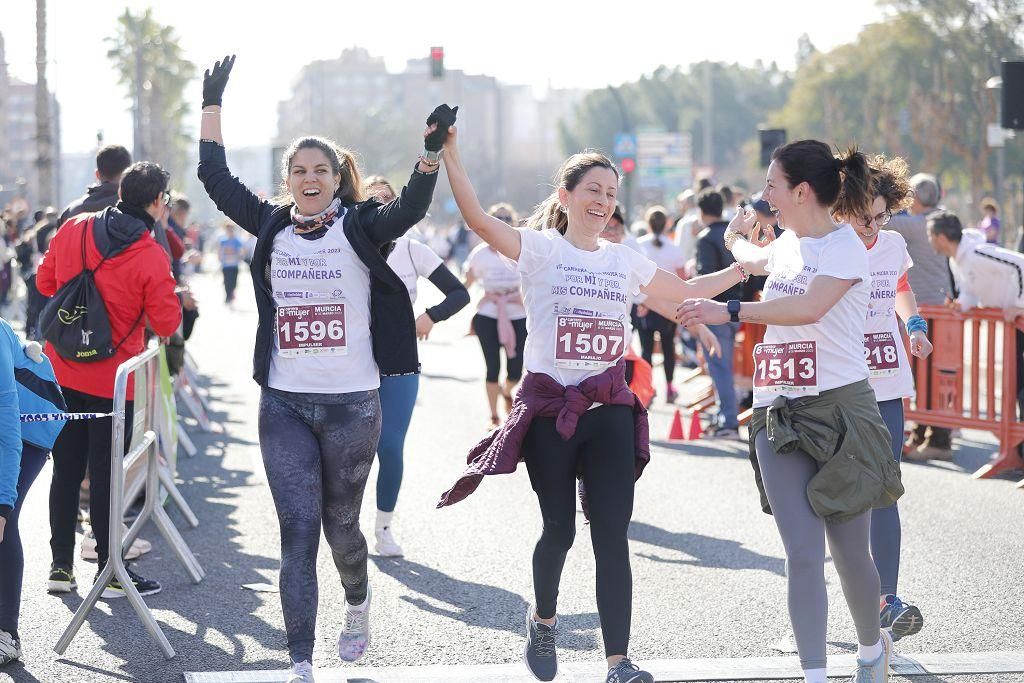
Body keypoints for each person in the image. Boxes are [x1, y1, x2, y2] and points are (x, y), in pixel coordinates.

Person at [437, 125, 755, 683]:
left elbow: (682, 292)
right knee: (558, 530)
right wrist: (452, 154)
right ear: (565, 197)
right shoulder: (539, 250)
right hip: (551, 410)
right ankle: (542, 618)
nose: (604, 202)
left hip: (608, 406)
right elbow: (480, 221)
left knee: (611, 531)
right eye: (593, 191)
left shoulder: (622, 260)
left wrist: (744, 267)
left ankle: (618, 662)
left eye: (611, 194)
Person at [196, 55, 452, 682]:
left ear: (339, 179)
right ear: (288, 180)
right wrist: (212, 103)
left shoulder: (363, 224)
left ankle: (358, 603)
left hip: (352, 403)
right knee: (297, 534)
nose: (310, 179)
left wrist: (429, 157)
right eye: (299, 171)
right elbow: (213, 176)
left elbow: (411, 210)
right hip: (283, 401)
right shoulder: (271, 223)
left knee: (342, 530)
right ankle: (301, 662)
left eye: (321, 171)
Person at [679, 140, 904, 683]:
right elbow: (745, 259)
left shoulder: (846, 247)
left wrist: (728, 310)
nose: (766, 196)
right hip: (776, 413)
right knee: (801, 553)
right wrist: (731, 240)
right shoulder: (784, 246)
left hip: (841, 411)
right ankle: (814, 675)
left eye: (772, 186)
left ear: (801, 191)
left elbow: (810, 306)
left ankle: (872, 653)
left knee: (852, 555)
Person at [37, 161, 182, 600]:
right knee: (106, 477)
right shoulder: (149, 252)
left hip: (60, 369)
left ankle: (61, 566)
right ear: (158, 202)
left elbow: (45, 282)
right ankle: (109, 570)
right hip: (113, 382)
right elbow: (166, 321)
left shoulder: (74, 227)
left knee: (65, 471)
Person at [364, 176, 469, 557]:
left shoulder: (413, 250)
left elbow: (460, 293)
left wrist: (429, 316)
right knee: (348, 452)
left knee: (390, 446)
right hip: (352, 361)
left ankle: (383, 528)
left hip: (400, 360)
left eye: (386, 202)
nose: (379, 210)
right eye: (369, 203)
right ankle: (342, 530)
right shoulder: (349, 246)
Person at [924, 209, 1024, 463]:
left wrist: (1019, 304)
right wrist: (962, 304)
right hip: (1015, 326)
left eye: (930, 235)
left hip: (1020, 319)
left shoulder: (979, 253)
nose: (929, 241)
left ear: (941, 237)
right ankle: (1018, 454)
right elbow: (970, 292)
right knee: (1016, 387)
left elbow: (1020, 265)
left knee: (1020, 388)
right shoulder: (959, 260)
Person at [0, 321, 64, 666]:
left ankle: (7, 633)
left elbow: (7, 432)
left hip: (25, 431)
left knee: (3, 523)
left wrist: (2, 505)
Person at [884, 173, 953, 460]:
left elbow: (877, 220)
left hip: (925, 308)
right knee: (932, 374)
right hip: (938, 304)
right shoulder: (941, 218)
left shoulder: (915, 224)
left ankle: (938, 438)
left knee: (929, 375)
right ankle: (925, 432)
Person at [464, 203, 527, 428]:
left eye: (507, 218)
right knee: (492, 367)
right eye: (498, 218)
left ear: (514, 222)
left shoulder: (522, 250)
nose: (502, 221)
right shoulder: (479, 254)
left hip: (517, 313)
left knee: (516, 369)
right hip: (489, 313)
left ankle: (507, 390)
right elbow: (467, 284)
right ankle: (493, 415)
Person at [694, 188, 742, 438]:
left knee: (719, 367)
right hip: (739, 307)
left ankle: (728, 420)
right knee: (726, 366)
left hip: (714, 310)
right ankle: (726, 416)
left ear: (701, 212)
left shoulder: (706, 237)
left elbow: (705, 277)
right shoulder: (732, 235)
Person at [636, 206, 687, 402]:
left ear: (648, 224)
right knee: (668, 348)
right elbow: (683, 281)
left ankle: (647, 388)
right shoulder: (674, 248)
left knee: (646, 349)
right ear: (667, 224)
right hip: (668, 306)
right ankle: (669, 387)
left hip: (645, 303)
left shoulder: (639, 246)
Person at [218, 222, 244, 305]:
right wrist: (219, 258)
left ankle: (231, 293)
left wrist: (239, 256)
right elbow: (219, 251)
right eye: (228, 229)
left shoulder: (237, 240)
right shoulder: (223, 241)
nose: (229, 231)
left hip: (234, 265)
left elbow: (242, 250)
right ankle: (228, 296)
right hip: (225, 265)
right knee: (226, 281)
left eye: (231, 229)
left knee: (233, 282)